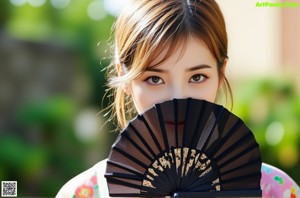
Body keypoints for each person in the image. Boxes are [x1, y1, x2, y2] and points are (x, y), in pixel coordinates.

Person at [56, 0, 300, 197]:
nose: (178, 99)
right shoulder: (84, 193)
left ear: (221, 73)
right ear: (125, 78)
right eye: (154, 79)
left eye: (197, 77)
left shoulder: (274, 190)